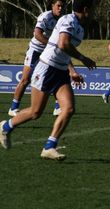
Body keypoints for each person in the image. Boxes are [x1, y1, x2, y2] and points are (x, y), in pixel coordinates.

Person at [0, 0, 97, 160]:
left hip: (60, 71)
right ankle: (5, 126)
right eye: (91, 9)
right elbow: (63, 44)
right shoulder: (68, 20)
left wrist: (71, 71)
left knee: (69, 109)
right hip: (46, 68)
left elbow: (64, 51)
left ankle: (49, 147)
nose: (92, 13)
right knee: (35, 112)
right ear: (85, 9)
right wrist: (83, 58)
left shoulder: (79, 27)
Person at [8, 0, 64, 117]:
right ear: (52, 6)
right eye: (58, 6)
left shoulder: (62, 20)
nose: (60, 8)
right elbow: (37, 34)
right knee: (25, 79)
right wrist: (51, 45)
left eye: (62, 6)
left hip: (48, 52)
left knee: (56, 76)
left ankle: (58, 107)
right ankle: (13, 108)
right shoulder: (45, 17)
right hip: (35, 51)